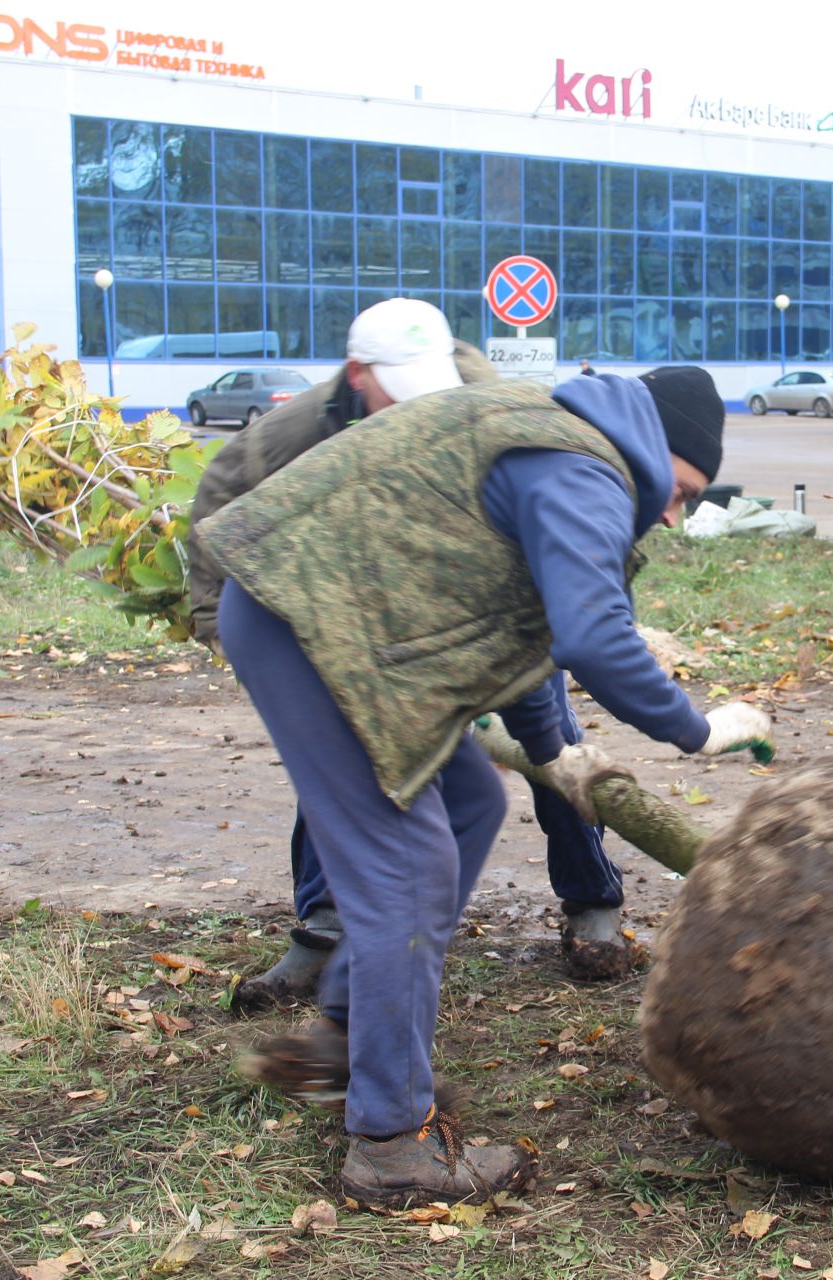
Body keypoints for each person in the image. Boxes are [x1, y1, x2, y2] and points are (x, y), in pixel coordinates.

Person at [199, 360, 774, 1206]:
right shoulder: (584, 466)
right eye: (681, 488)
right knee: (408, 866)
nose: (673, 512)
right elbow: (590, 634)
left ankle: (349, 1035)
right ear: (656, 446)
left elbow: (520, 616)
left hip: (331, 622)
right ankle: (392, 1144)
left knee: (470, 802)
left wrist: (556, 752)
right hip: (311, 627)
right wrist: (697, 728)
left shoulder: (550, 433)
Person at [187, 300, 639, 1008]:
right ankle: (326, 929)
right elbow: (222, 499)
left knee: (553, 749)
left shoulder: (483, 397)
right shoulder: (300, 429)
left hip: (489, 602)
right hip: (370, 624)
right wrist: (217, 621)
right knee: (342, 770)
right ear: (356, 373)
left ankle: (592, 905)